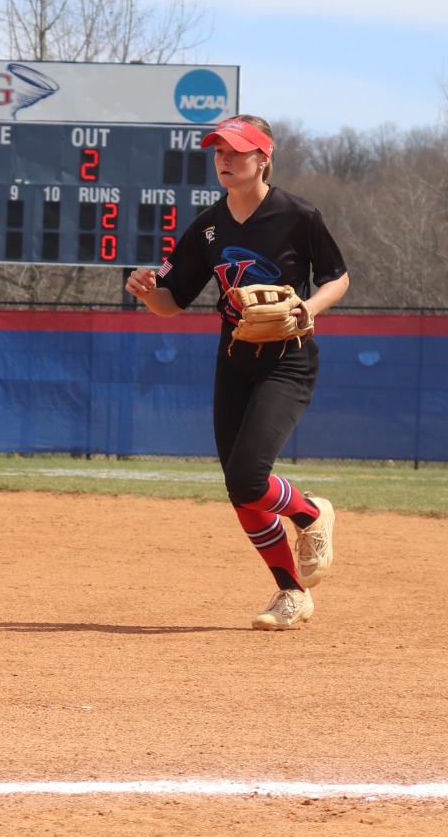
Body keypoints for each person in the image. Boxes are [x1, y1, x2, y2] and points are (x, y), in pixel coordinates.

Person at [124, 115, 351, 630]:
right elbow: (172, 301)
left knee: (248, 476)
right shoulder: (208, 226)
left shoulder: (297, 215)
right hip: (235, 362)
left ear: (263, 158)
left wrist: (310, 307)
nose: (224, 160)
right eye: (218, 151)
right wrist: (147, 290)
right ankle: (292, 594)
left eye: (236, 151)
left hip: (288, 360)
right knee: (240, 488)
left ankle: (311, 514)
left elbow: (338, 278)